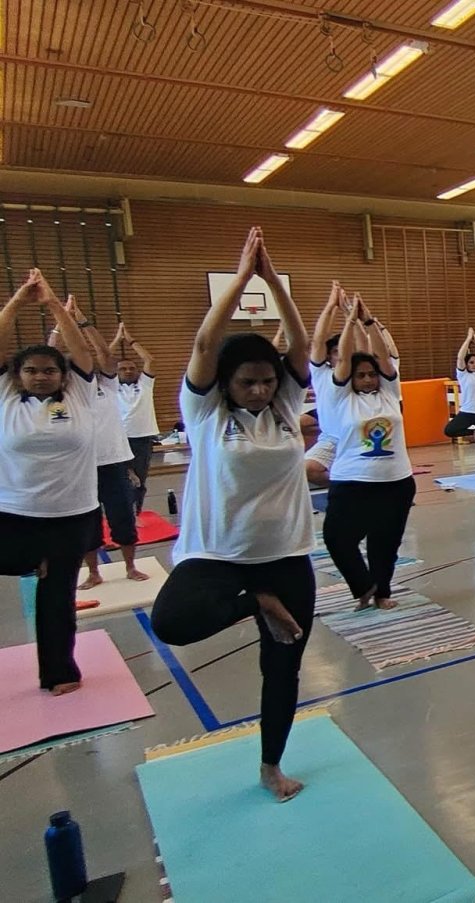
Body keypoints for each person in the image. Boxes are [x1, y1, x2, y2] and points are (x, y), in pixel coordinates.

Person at [149, 227, 316, 801]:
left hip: (287, 558)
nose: (260, 391)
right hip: (216, 556)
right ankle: (255, 605)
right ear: (225, 383)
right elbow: (202, 345)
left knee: (284, 668)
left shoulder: (286, 405)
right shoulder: (201, 413)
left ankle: (272, 766)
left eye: (267, 382)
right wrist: (245, 279)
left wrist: (276, 283)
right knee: (171, 621)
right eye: (247, 382)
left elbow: (298, 347)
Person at [0, 269, 99, 695]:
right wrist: (21, 300)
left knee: (57, 597)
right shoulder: (5, 396)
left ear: (62, 376)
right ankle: (32, 560)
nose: (40, 376)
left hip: (69, 514)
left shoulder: (78, 394)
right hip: (13, 512)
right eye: (31, 370)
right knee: (34, 567)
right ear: (17, 374)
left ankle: (59, 672)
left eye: (49, 370)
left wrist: (55, 304)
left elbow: (79, 351)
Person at [318, 295, 416, 610]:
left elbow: (384, 357)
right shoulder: (340, 398)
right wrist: (348, 320)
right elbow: (344, 359)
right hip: (352, 481)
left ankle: (383, 592)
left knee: (385, 544)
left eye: (371, 374)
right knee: (337, 538)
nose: (367, 379)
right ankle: (363, 586)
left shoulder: (389, 392)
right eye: (360, 375)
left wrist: (369, 321)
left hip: (396, 481)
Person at [55, 297, 144, 590]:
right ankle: (94, 572)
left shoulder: (105, 384)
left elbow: (105, 354)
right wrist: (60, 323)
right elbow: (51, 352)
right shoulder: (65, 394)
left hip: (113, 462)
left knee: (123, 516)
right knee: (87, 521)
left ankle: (130, 566)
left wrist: (81, 321)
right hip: (81, 467)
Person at [111, 323, 160, 513]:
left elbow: (149, 359)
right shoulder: (111, 387)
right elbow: (103, 359)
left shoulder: (145, 385)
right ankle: (120, 511)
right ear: (116, 372)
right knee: (121, 477)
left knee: (140, 478)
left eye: (132, 368)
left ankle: (136, 511)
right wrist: (117, 339)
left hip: (142, 437)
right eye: (123, 369)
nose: (129, 371)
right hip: (119, 438)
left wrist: (130, 340)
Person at [444, 327, 475, 473]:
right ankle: (473, 433)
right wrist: (468, 339)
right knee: (449, 430)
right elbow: (460, 358)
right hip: (468, 412)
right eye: (471, 362)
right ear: (466, 365)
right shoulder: (463, 375)